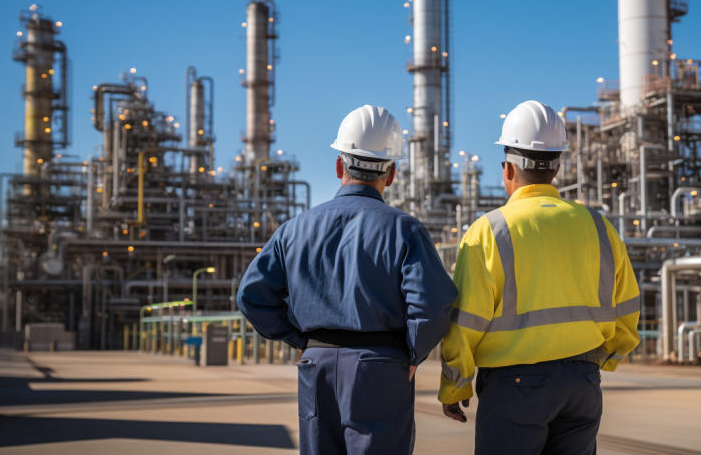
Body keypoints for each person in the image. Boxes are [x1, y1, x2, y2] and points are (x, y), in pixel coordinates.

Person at [238, 104, 458, 455]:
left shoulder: (294, 229)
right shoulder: (404, 230)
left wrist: (301, 340)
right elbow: (432, 302)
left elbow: (251, 296)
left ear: (339, 166)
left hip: (317, 363)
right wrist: (413, 353)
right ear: (392, 174)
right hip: (380, 365)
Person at [438, 100, 640, 454]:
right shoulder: (599, 226)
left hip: (514, 387)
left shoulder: (489, 231)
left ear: (508, 170)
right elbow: (627, 305)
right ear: (556, 168)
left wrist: (456, 387)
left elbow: (465, 321)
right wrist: (604, 360)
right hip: (582, 382)